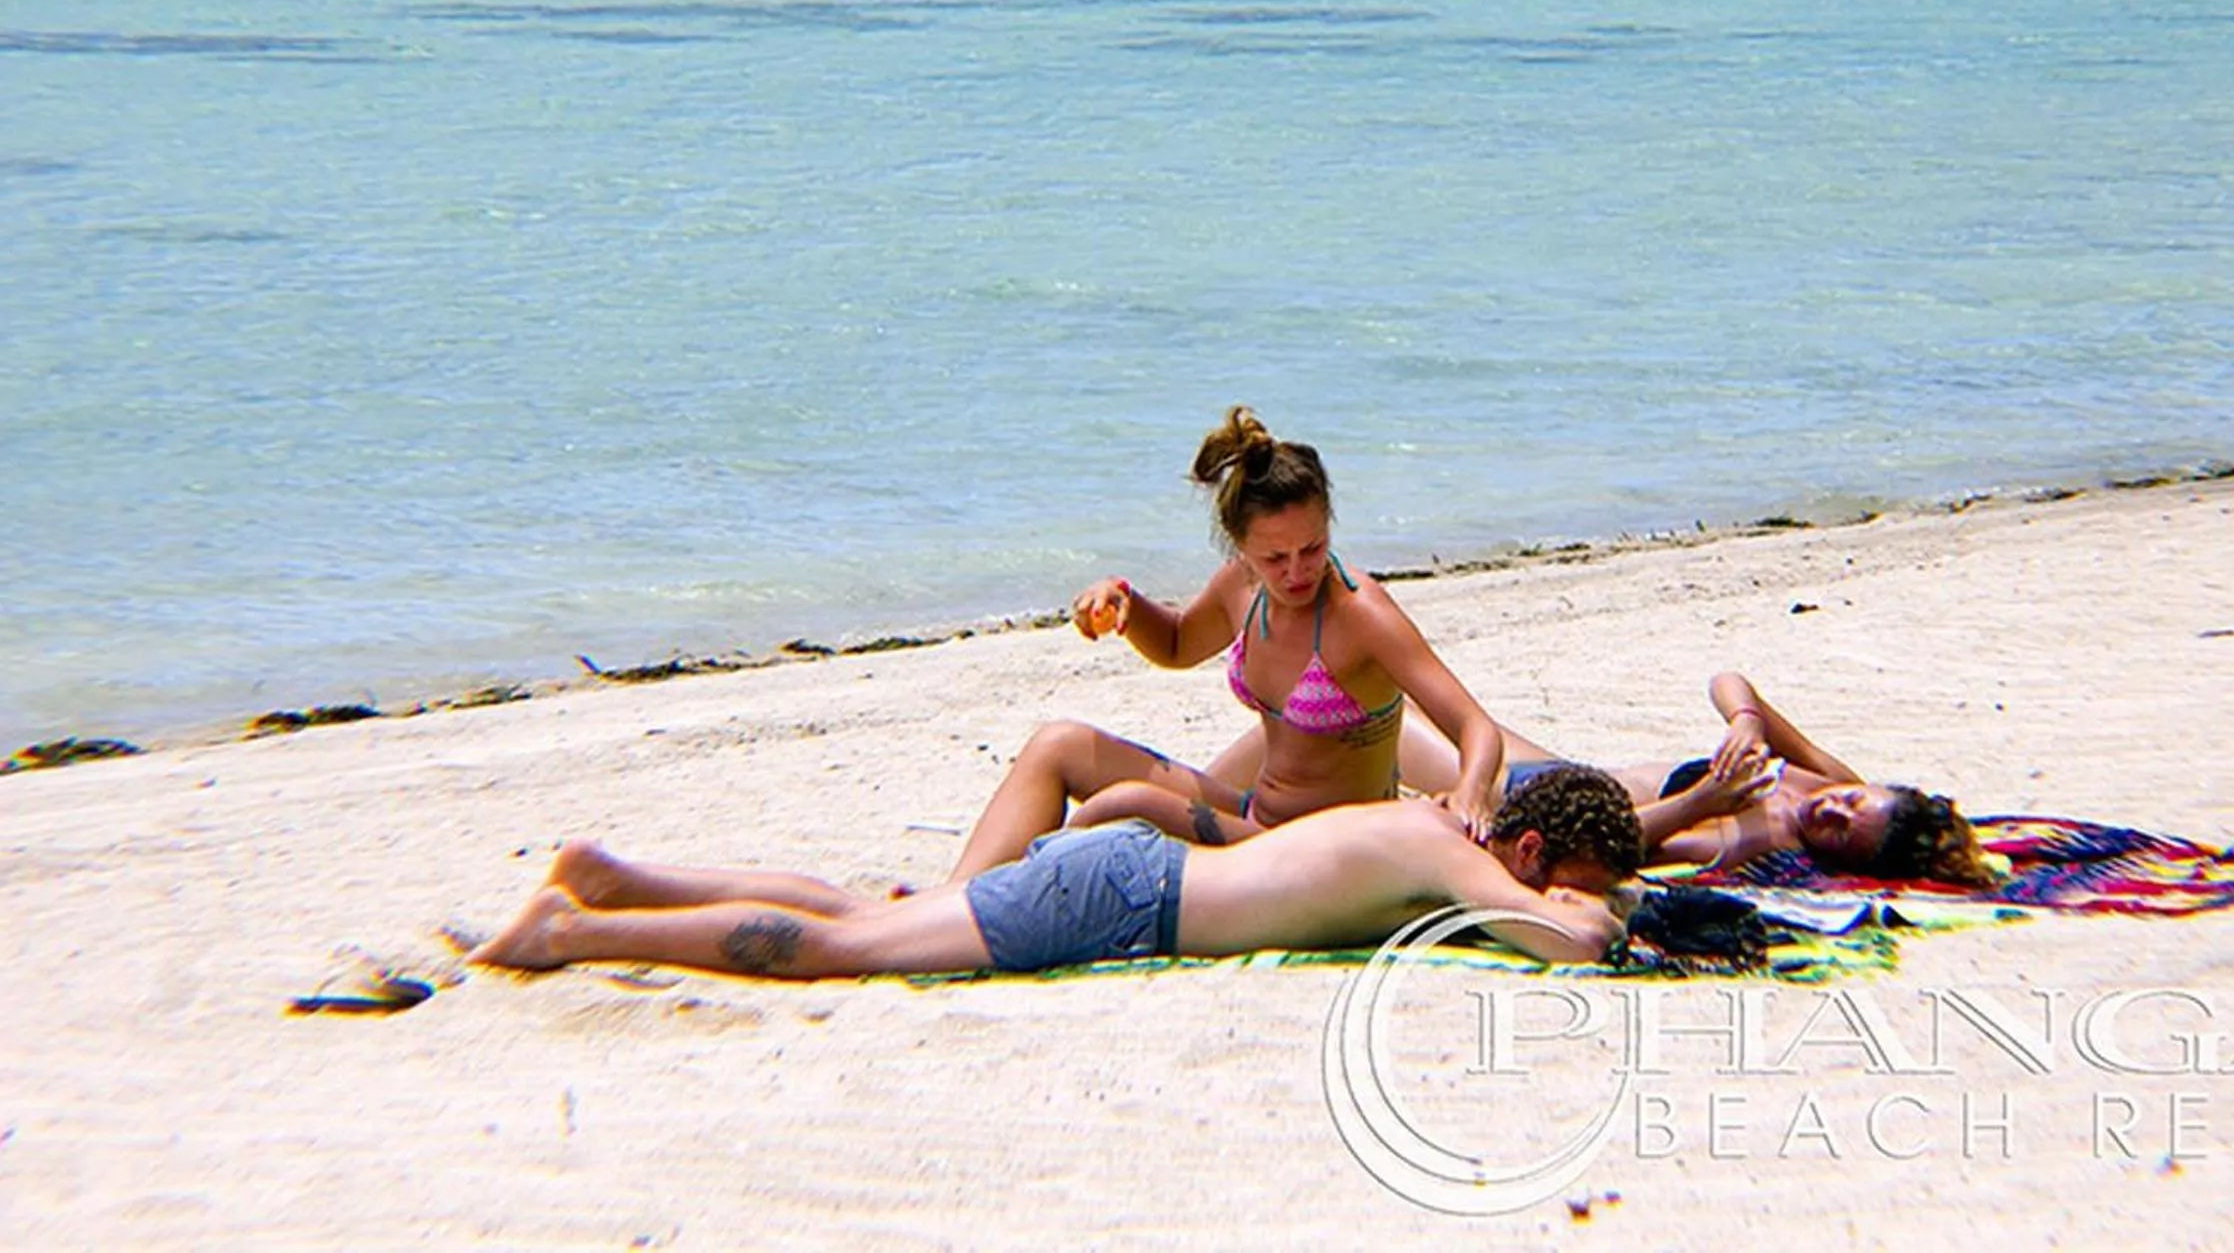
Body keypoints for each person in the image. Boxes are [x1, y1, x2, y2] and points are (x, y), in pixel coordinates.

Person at [962, 407, 1504, 876]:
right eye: (1275, 558)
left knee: (1121, 805)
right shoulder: (1240, 586)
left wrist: (1471, 793)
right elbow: (1177, 644)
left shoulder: (1359, 613)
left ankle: (1004, 903)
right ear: (1240, 547)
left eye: (1313, 549)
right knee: (1058, 745)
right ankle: (953, 898)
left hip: (1319, 849)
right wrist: (1124, 600)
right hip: (1252, 815)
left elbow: (1474, 726)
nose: (1297, 572)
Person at [470, 764, 1642, 979]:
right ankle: (571, 933)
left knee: (867, 913)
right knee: (845, 950)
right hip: (1120, 898)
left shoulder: (1430, 841)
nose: (1570, 894)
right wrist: (1588, 909)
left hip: (1129, 878)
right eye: (1570, 874)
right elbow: (1574, 941)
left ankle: (618, 878)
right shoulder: (1446, 851)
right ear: (1530, 852)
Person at [1392, 671, 2006, 887]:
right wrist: (1747, 723)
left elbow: (1611, 846)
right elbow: (1728, 681)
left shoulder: (1760, 839)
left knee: (1374, 708)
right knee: (1402, 698)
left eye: (1842, 832)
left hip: (1528, 802)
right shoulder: (1824, 781)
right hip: (1569, 774)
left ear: (1846, 860)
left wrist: (1701, 801)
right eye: (1851, 800)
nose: (1833, 810)